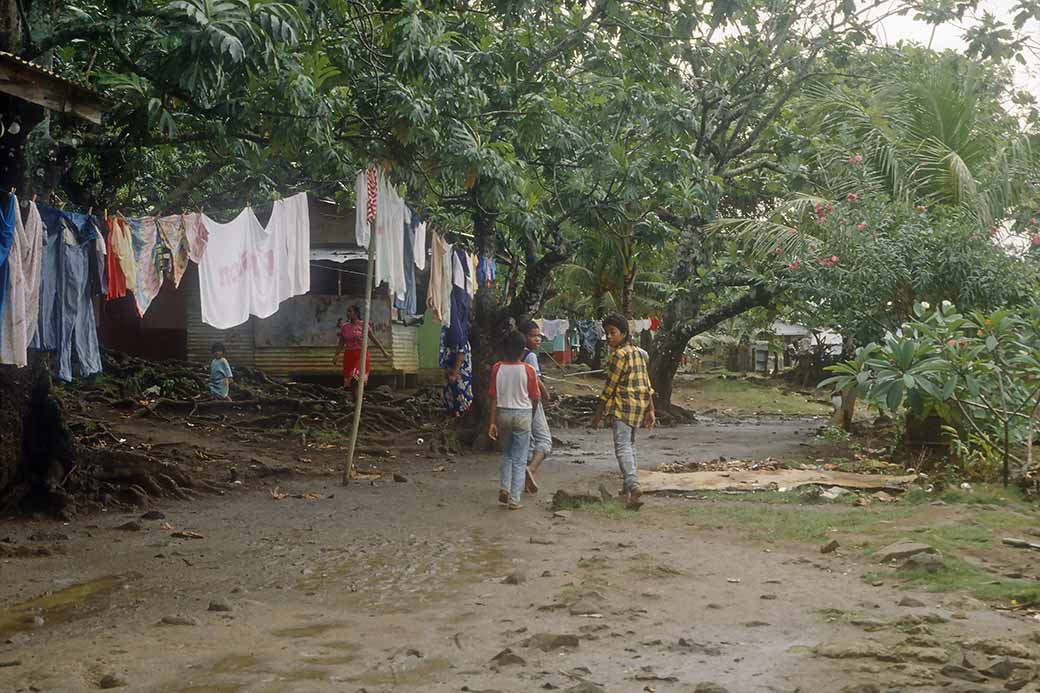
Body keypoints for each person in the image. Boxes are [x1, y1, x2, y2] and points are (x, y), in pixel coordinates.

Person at [591, 314, 656, 506]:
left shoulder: (618, 356)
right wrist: (651, 409)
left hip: (623, 406)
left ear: (624, 333)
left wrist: (597, 415)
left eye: (612, 333)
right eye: (607, 333)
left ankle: (633, 484)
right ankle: (628, 488)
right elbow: (647, 383)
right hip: (639, 405)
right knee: (630, 445)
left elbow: (609, 387)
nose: (609, 337)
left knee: (622, 447)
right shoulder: (639, 353)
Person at [488, 330, 541, 510]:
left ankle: (504, 487)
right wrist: (531, 417)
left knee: (508, 454)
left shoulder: (497, 368)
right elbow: (535, 396)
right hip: (523, 414)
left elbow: (493, 397)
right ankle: (515, 499)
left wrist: (492, 422)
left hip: (503, 413)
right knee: (520, 459)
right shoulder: (528, 370)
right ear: (522, 350)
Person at [518, 319, 552, 493]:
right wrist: (547, 395)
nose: (537, 339)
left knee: (526, 442)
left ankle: (521, 481)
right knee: (545, 442)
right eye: (533, 336)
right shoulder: (530, 356)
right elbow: (536, 380)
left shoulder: (513, 355)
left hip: (517, 403)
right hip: (532, 401)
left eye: (539, 335)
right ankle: (530, 470)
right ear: (523, 337)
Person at [333, 304, 389, 402]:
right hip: (349, 356)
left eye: (350, 311)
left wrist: (384, 352)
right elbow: (341, 343)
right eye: (347, 311)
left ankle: (359, 402)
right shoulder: (345, 327)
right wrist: (336, 355)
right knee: (351, 383)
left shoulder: (363, 325)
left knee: (356, 379)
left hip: (361, 355)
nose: (348, 313)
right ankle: (357, 403)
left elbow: (374, 339)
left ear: (356, 313)